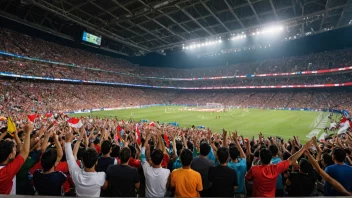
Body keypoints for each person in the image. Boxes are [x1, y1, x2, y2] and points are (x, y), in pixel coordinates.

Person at [245, 140, 312, 197]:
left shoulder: (254, 169)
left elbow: (247, 178)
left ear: (260, 158)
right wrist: (303, 148)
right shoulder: (275, 168)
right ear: (270, 158)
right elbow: (291, 160)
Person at [65, 128, 108, 197]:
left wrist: (67, 142)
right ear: (96, 162)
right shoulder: (101, 176)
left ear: (83, 162)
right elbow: (105, 187)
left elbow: (69, 158)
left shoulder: (76, 174)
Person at [0, 123, 32, 195]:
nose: (16, 150)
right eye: (14, 149)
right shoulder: (6, 172)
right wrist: (28, 132)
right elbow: (24, 152)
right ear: (10, 155)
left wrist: (6, 133)